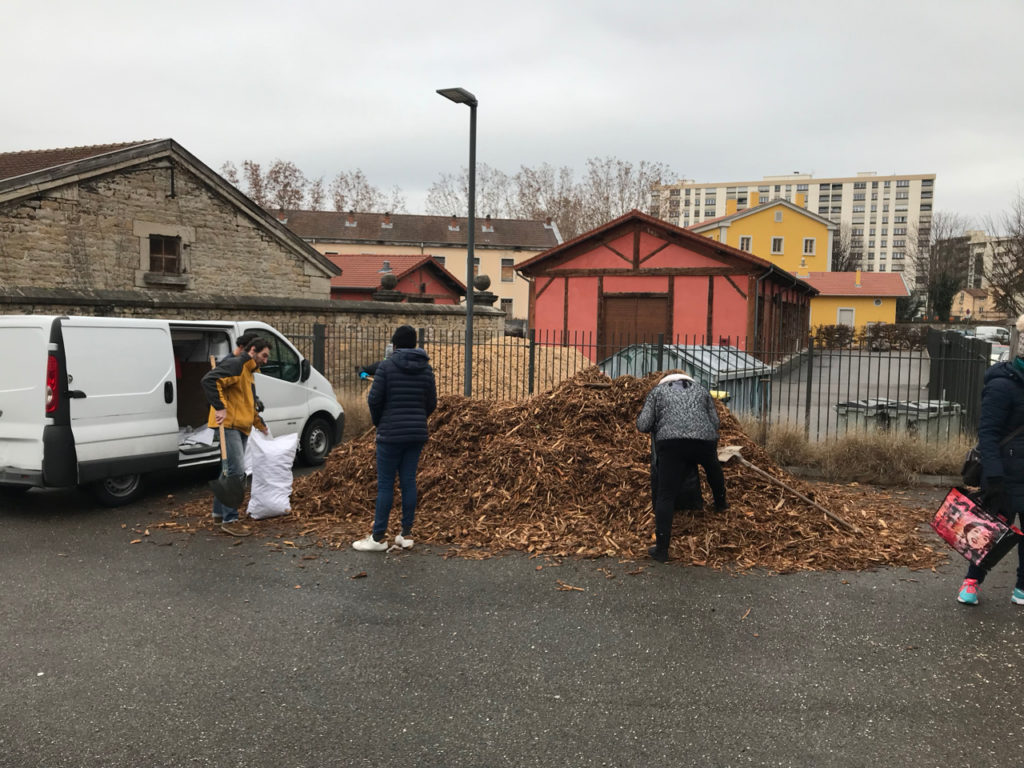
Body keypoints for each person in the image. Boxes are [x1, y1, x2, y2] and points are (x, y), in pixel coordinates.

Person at [958, 313, 1024, 605]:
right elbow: (988, 432)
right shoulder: (1002, 385)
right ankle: (972, 581)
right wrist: (993, 476)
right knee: (988, 532)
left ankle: (1022, 587)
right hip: (1005, 476)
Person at [353, 325, 437, 552]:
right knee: (409, 480)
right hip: (416, 433)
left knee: (386, 485)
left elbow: (374, 400)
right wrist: (419, 418)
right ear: (415, 344)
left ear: (395, 344)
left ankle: (378, 537)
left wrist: (380, 421)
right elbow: (432, 403)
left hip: (390, 434)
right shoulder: (426, 369)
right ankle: (406, 534)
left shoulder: (386, 367)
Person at [636, 372, 728, 562]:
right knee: (713, 469)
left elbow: (643, 425)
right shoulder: (702, 391)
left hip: (671, 445)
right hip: (703, 442)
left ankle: (661, 550)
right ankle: (721, 504)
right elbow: (716, 423)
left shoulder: (657, 392)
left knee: (666, 494)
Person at [201, 337, 270, 536]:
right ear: (253, 350)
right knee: (237, 472)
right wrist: (220, 407)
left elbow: (248, 403)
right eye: (263, 355)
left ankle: (218, 513)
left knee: (228, 471)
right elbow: (209, 381)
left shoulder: (249, 371)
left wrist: (260, 425)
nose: (265, 360)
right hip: (229, 425)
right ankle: (230, 520)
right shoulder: (236, 364)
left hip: (241, 426)